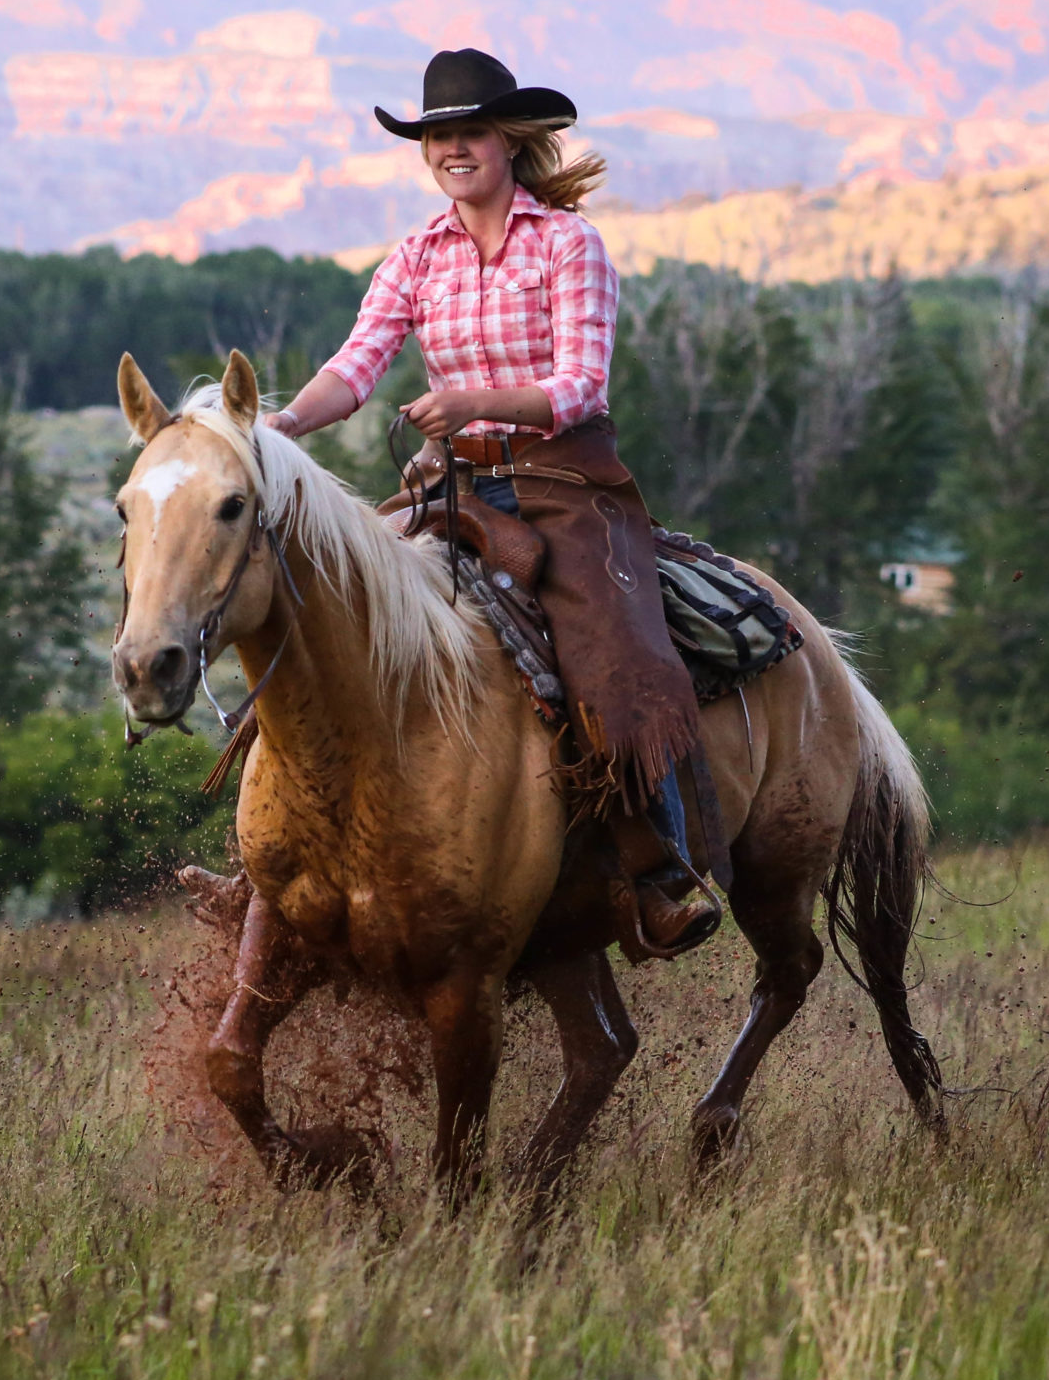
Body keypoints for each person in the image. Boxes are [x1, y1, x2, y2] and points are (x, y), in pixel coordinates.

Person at [266, 48, 718, 954]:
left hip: (563, 479)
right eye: (437, 134)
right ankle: (278, 856)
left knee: (608, 642)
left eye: (469, 131)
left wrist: (472, 401)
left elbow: (580, 388)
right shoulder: (416, 255)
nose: (452, 148)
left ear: (508, 141)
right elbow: (356, 367)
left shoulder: (566, 244)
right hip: (453, 483)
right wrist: (279, 428)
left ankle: (663, 866)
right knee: (318, 604)